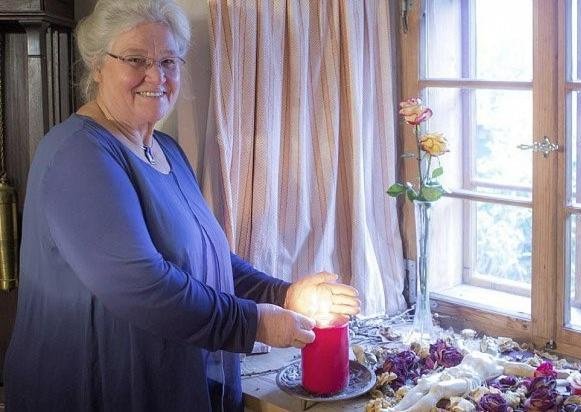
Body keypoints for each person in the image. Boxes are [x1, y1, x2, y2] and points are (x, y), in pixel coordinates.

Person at [3, 0, 360, 411]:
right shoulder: (77, 154)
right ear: (98, 65)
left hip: (165, 381)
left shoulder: (165, 149)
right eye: (136, 59)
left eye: (169, 61)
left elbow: (207, 259)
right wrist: (256, 322)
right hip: (96, 388)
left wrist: (285, 295)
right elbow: (144, 285)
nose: (157, 76)